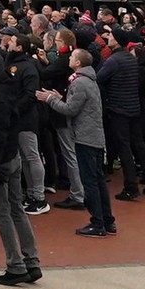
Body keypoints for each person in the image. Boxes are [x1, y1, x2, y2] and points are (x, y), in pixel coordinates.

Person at [0, 55, 41, 285]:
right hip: (13, 156)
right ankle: (31, 260)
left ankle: (15, 265)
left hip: (0, 160)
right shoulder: (7, 85)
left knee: (2, 213)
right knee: (17, 208)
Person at [45, 50, 114, 237]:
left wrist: (51, 100)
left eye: (71, 57)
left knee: (90, 182)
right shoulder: (90, 81)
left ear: (77, 63)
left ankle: (97, 223)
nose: (68, 58)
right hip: (95, 137)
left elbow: (70, 110)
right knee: (98, 181)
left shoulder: (79, 82)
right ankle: (107, 221)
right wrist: (60, 98)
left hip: (85, 137)